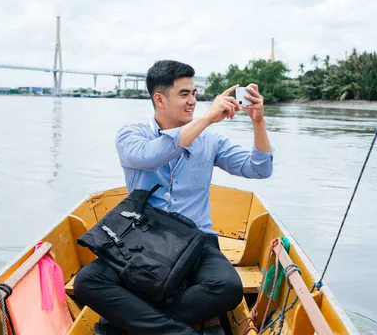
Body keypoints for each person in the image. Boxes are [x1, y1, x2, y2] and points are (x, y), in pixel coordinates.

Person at [74, 60, 274, 335]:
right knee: (88, 281)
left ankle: (130, 323)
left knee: (227, 287)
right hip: (141, 239)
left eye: (193, 93)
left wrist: (259, 122)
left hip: (196, 239)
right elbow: (152, 155)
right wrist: (206, 119)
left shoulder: (211, 141)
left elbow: (260, 168)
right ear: (159, 98)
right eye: (184, 94)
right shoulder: (131, 135)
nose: (193, 101)